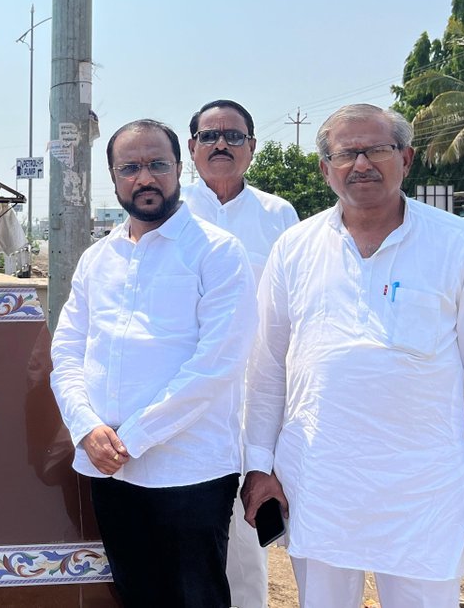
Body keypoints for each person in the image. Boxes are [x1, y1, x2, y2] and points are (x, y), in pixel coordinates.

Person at [242, 104, 464, 608]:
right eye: (346, 153)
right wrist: (259, 466)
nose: (362, 164)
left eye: (377, 149)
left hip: (423, 491)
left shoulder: (458, 244)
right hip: (319, 481)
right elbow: (266, 372)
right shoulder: (295, 248)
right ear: (324, 167)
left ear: (407, 159)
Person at [50, 119, 258, 607]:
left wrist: (132, 438)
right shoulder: (97, 259)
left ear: (179, 169)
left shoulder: (217, 252)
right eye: (131, 168)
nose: (145, 178)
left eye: (157, 165)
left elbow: (217, 363)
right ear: (114, 176)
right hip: (109, 470)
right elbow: (67, 350)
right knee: (136, 596)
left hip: (190, 472)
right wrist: (85, 425)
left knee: (194, 598)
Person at [184, 99, 298, 608]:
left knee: (250, 532)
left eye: (233, 135)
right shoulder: (170, 210)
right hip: (186, 397)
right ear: (191, 149)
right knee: (186, 530)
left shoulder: (279, 215)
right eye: (209, 136)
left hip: (257, 395)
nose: (221, 145)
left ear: (252, 147)